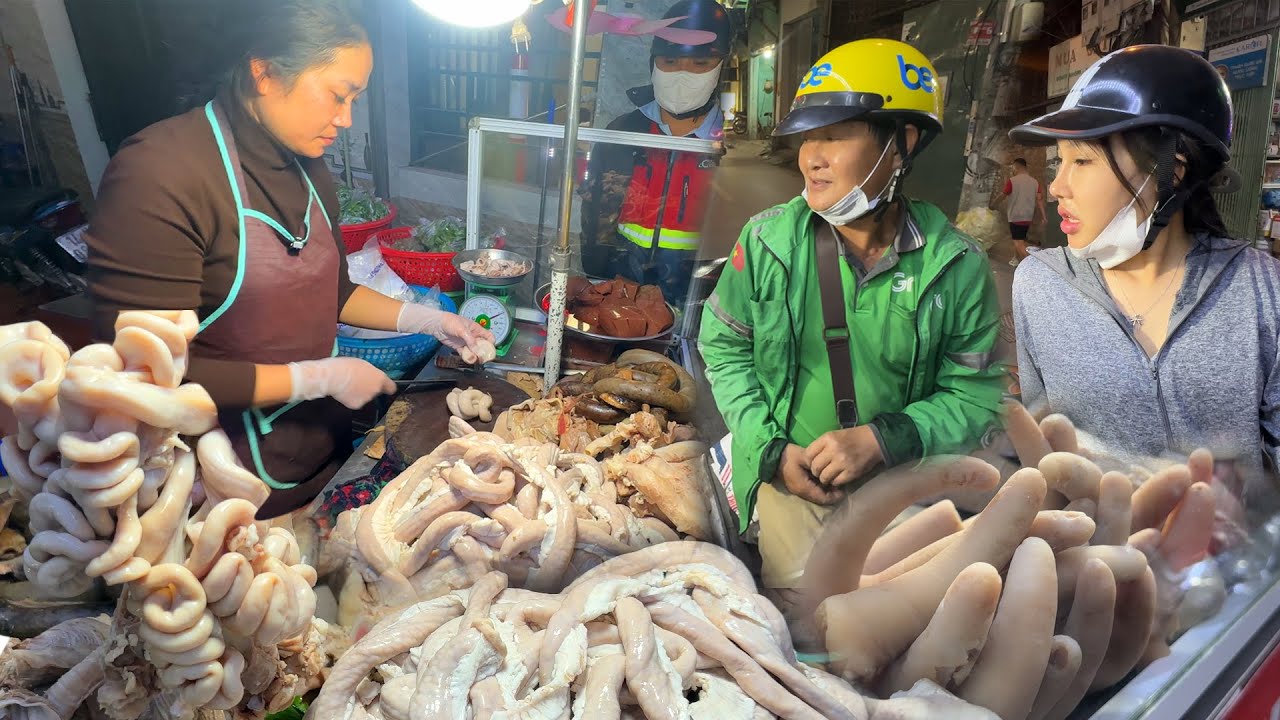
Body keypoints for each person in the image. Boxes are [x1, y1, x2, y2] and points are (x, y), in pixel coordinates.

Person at [85, 1, 494, 518]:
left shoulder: (307, 166)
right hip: (211, 489)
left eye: (355, 99)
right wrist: (317, 378)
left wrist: (429, 319)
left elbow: (332, 290)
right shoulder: (160, 176)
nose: (345, 120)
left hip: (317, 454)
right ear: (265, 73)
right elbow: (146, 379)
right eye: (337, 95)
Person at [699, 39, 1005, 634]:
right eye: (807, 138)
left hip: (904, 493)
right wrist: (767, 451)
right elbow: (725, 348)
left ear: (902, 142)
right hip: (788, 482)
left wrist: (884, 438)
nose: (811, 157)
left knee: (907, 633)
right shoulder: (766, 244)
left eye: (835, 134)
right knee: (806, 636)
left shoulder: (957, 267)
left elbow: (977, 397)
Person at [1009, 45, 1280, 491]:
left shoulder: (1259, 289)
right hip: (1093, 556)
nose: (1057, 187)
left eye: (1082, 161)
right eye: (1059, 162)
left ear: (1169, 172)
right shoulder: (1038, 285)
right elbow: (1044, 448)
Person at [579, 0, 728, 305]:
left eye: (700, 63)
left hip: (700, 299)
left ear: (722, 66)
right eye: (670, 62)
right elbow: (595, 211)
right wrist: (597, 280)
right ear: (653, 64)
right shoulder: (622, 132)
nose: (683, 73)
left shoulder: (730, 147)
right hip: (623, 286)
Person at [998, 157, 1045, 265]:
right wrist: (1043, 216)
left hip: (1015, 216)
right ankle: (1016, 259)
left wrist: (993, 204)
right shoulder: (1034, 182)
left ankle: (1031, 265)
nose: (1013, 169)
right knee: (1020, 239)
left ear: (1017, 166)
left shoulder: (1013, 181)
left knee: (1018, 242)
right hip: (1028, 216)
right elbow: (1039, 200)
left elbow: (1003, 195)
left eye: (1013, 167)